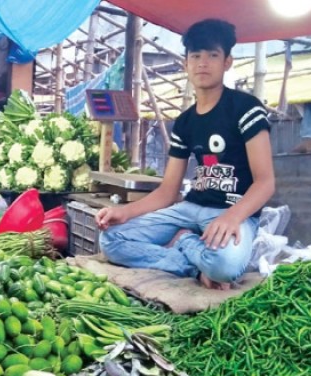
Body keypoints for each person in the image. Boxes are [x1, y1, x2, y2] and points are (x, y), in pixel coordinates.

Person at [96, 19, 275, 290]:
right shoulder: (185, 122)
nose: (203, 63)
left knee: (225, 267)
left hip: (233, 209)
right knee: (111, 240)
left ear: (227, 62)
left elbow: (265, 182)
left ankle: (186, 244)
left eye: (213, 55)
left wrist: (232, 216)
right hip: (189, 209)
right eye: (196, 56)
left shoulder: (245, 108)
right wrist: (125, 212)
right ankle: (190, 261)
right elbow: (168, 191)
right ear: (186, 64)